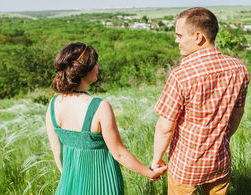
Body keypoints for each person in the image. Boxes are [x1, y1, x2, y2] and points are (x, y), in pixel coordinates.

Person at [151, 7, 250, 195]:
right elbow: (237, 114)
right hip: (220, 160)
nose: (176, 40)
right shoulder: (239, 69)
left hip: (186, 165)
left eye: (179, 36)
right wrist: (222, 139)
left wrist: (157, 159)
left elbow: (165, 127)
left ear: (197, 37)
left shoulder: (181, 76)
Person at [46, 42, 167, 195]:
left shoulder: (53, 104)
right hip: (103, 184)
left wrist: (70, 177)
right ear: (84, 69)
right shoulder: (100, 107)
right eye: (95, 64)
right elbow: (119, 153)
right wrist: (150, 173)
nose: (99, 68)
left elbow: (57, 152)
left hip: (68, 184)